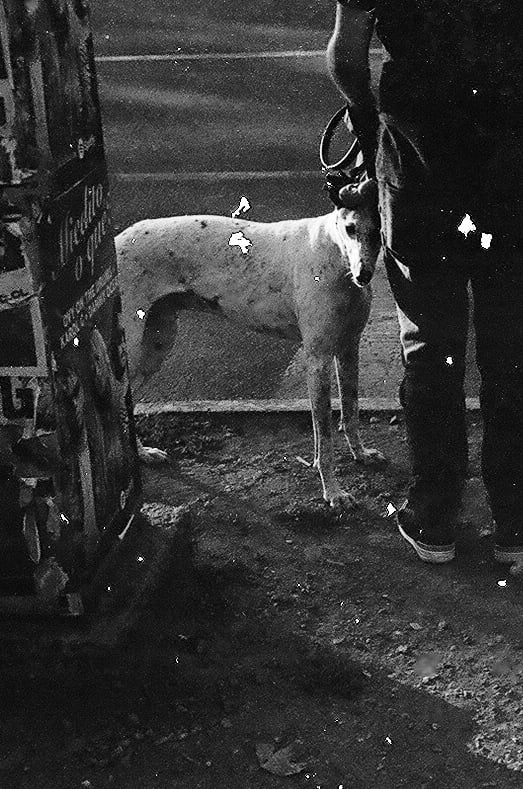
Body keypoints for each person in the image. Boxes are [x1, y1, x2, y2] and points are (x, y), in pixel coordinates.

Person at [327, 1, 523, 565]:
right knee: (513, 346)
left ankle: (435, 514)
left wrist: (368, 116)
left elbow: (347, 57)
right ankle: (515, 519)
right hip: (511, 159)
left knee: (430, 345)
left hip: (420, 161)